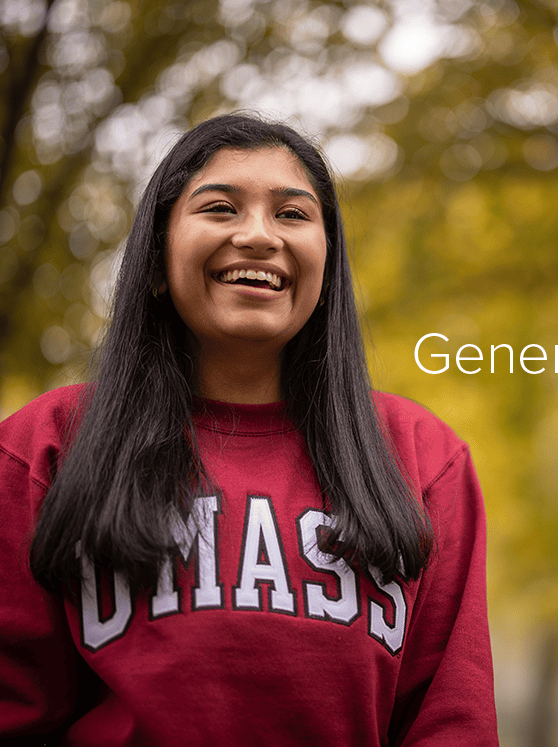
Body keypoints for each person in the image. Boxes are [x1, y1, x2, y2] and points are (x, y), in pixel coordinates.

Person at [0, 114, 498, 746]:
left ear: (327, 269)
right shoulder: (42, 447)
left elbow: (451, 725)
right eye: (220, 208)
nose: (259, 236)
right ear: (157, 258)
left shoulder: (423, 458)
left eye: (292, 214)